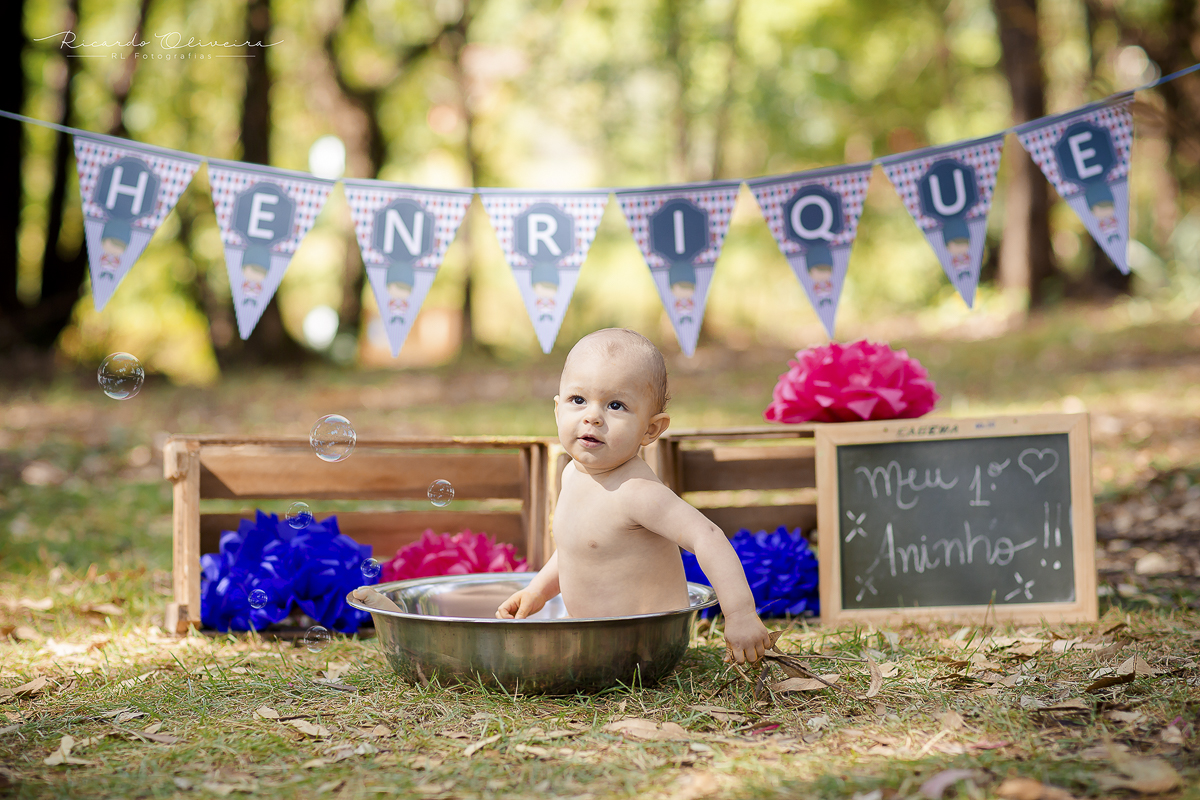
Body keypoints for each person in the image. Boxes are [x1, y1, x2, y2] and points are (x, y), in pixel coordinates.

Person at [495, 328, 773, 664]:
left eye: (616, 405)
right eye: (578, 400)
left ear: (651, 429)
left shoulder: (637, 493)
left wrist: (740, 613)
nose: (592, 416)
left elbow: (707, 537)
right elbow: (575, 548)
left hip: (644, 646)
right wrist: (537, 592)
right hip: (593, 638)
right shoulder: (571, 474)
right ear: (557, 411)